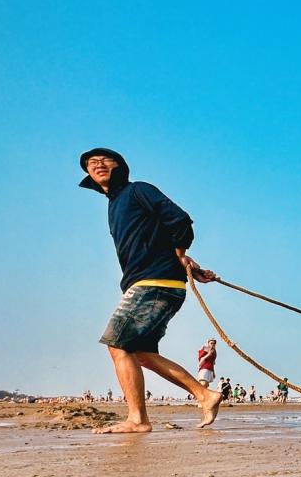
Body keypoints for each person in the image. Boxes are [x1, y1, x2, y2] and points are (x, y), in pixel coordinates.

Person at [80, 148, 223, 433]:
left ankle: (137, 419)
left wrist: (181, 254)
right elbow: (158, 241)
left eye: (105, 160)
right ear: (88, 175)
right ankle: (205, 394)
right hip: (157, 282)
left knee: (118, 345)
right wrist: (182, 263)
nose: (98, 164)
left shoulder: (137, 191)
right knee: (141, 353)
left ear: (120, 167)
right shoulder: (114, 204)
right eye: (91, 163)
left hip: (152, 283)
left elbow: (180, 221)